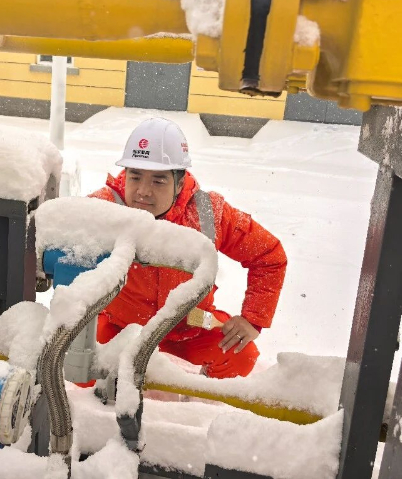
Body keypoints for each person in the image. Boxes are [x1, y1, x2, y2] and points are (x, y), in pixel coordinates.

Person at [88, 117, 287, 378]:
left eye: (158, 181)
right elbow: (56, 237)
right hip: (122, 326)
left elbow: (269, 255)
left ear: (180, 183)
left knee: (241, 357)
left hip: (189, 327)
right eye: (135, 177)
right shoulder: (102, 207)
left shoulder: (208, 213)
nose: (143, 191)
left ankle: (197, 396)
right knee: (81, 364)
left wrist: (253, 319)